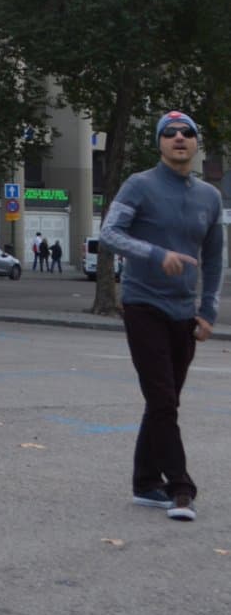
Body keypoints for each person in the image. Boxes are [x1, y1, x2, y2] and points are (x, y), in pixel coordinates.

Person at [100, 111, 224, 521]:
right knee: (162, 400)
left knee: (163, 402)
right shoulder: (139, 185)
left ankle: (145, 483)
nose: (178, 137)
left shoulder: (209, 196)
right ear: (159, 143)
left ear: (196, 142)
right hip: (143, 305)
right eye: (169, 133)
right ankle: (181, 489)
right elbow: (109, 234)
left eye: (187, 132)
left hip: (183, 312)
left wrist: (207, 312)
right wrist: (155, 254)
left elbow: (214, 258)